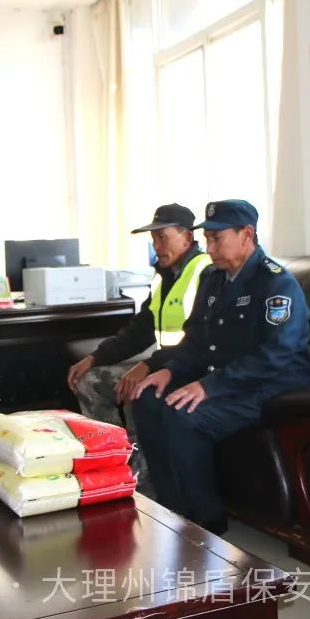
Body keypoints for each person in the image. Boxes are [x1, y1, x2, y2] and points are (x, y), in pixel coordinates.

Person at [130, 199, 310, 534]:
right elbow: (198, 342)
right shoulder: (213, 279)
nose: (209, 248)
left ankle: (206, 522)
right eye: (207, 238)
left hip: (270, 387)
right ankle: (172, 507)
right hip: (227, 381)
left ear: (247, 235)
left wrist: (208, 387)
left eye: (217, 238)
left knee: (183, 415)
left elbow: (276, 355)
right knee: (147, 398)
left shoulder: (275, 283)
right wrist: (170, 371)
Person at [66, 204, 211, 480]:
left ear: (187, 237)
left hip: (192, 369)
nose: (156, 246)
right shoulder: (164, 277)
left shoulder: (206, 273)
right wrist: (95, 358)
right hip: (163, 365)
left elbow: (200, 340)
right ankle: (111, 458)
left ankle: (141, 475)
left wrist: (147, 366)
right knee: (89, 380)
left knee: (138, 389)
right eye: (154, 238)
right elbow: (139, 331)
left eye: (162, 237)